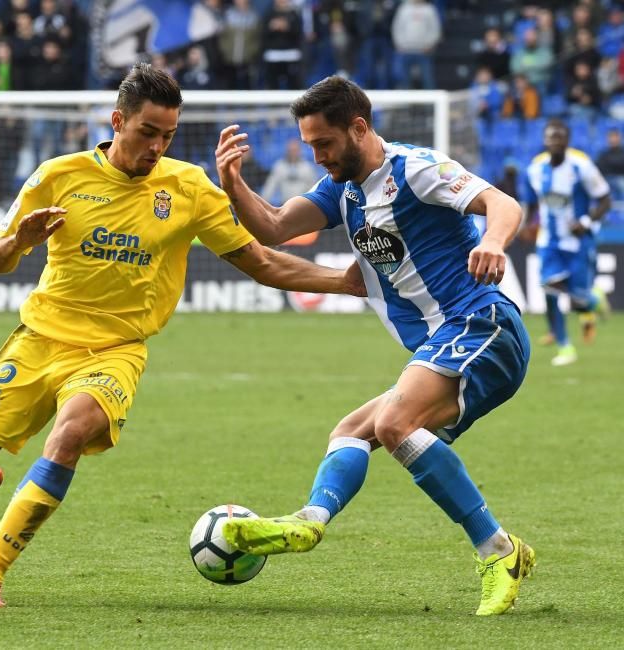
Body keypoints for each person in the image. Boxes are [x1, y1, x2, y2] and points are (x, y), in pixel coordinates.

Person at [0, 63, 365, 609]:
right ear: (117, 120)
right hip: (38, 339)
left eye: (168, 135)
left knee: (71, 432)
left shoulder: (188, 188)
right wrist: (17, 243)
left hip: (114, 350)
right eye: (148, 132)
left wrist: (343, 281)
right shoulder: (59, 175)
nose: (157, 146)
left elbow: (263, 261)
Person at [214, 76, 533, 616]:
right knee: (352, 431)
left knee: (394, 425)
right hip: (443, 342)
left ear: (358, 127)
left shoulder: (416, 169)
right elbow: (271, 227)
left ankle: (497, 551)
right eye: (311, 144)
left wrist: (495, 241)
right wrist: (231, 182)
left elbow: (502, 203)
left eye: (325, 144)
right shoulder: (344, 191)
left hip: (482, 324)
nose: (318, 157)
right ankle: (310, 521)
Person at [524, 119, 611, 364]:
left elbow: (604, 199)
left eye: (559, 137)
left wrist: (585, 221)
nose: (555, 141)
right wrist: (527, 223)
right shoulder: (535, 168)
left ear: (567, 140)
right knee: (550, 290)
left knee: (578, 300)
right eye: (551, 137)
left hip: (576, 242)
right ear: (544, 140)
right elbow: (531, 201)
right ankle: (565, 347)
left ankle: (594, 299)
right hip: (549, 242)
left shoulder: (581, 166)